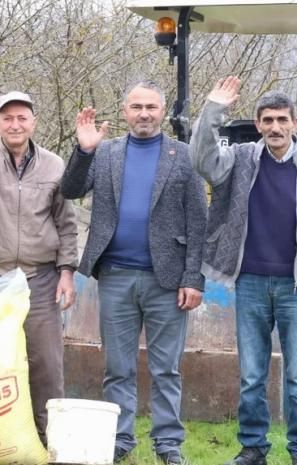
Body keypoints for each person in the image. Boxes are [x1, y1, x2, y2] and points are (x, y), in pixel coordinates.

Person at [190, 76, 297, 465]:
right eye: (268, 120)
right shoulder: (240, 158)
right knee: (252, 376)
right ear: (257, 124)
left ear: (294, 124)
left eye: (282, 120)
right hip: (252, 282)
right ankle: (253, 448)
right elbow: (202, 161)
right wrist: (212, 110)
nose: (275, 127)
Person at [61, 80, 207, 465]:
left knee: (166, 368)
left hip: (168, 280)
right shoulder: (105, 153)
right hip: (116, 276)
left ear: (163, 112)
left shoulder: (184, 155)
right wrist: (83, 150)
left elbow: (198, 219)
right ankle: (119, 439)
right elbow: (71, 189)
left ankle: (168, 443)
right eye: (137, 107)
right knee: (117, 366)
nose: (144, 114)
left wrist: (194, 278)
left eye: (152, 107)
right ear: (125, 111)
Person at [0, 72, 79, 444]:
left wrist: (67, 272)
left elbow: (66, 223)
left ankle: (48, 438)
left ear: (33, 122)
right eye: (6, 117)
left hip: (39, 281)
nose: (14, 124)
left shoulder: (55, 165)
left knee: (45, 364)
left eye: (22, 117)